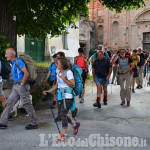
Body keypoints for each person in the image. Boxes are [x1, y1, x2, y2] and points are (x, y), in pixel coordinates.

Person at [43, 57, 80, 141]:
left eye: (57, 63)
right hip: (60, 96)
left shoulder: (69, 72)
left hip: (67, 97)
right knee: (62, 114)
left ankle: (64, 135)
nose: (56, 64)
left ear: (62, 65)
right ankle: (75, 125)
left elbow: (73, 85)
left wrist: (64, 79)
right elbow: (56, 85)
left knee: (63, 114)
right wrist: (48, 91)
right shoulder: (58, 72)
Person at [0, 48, 37, 129]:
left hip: (21, 85)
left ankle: (34, 123)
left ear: (11, 54)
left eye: (6, 53)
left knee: (26, 104)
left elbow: (26, 73)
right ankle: (3, 122)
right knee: (9, 102)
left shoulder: (18, 61)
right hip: (16, 86)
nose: (5, 55)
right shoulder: (13, 63)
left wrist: (22, 84)